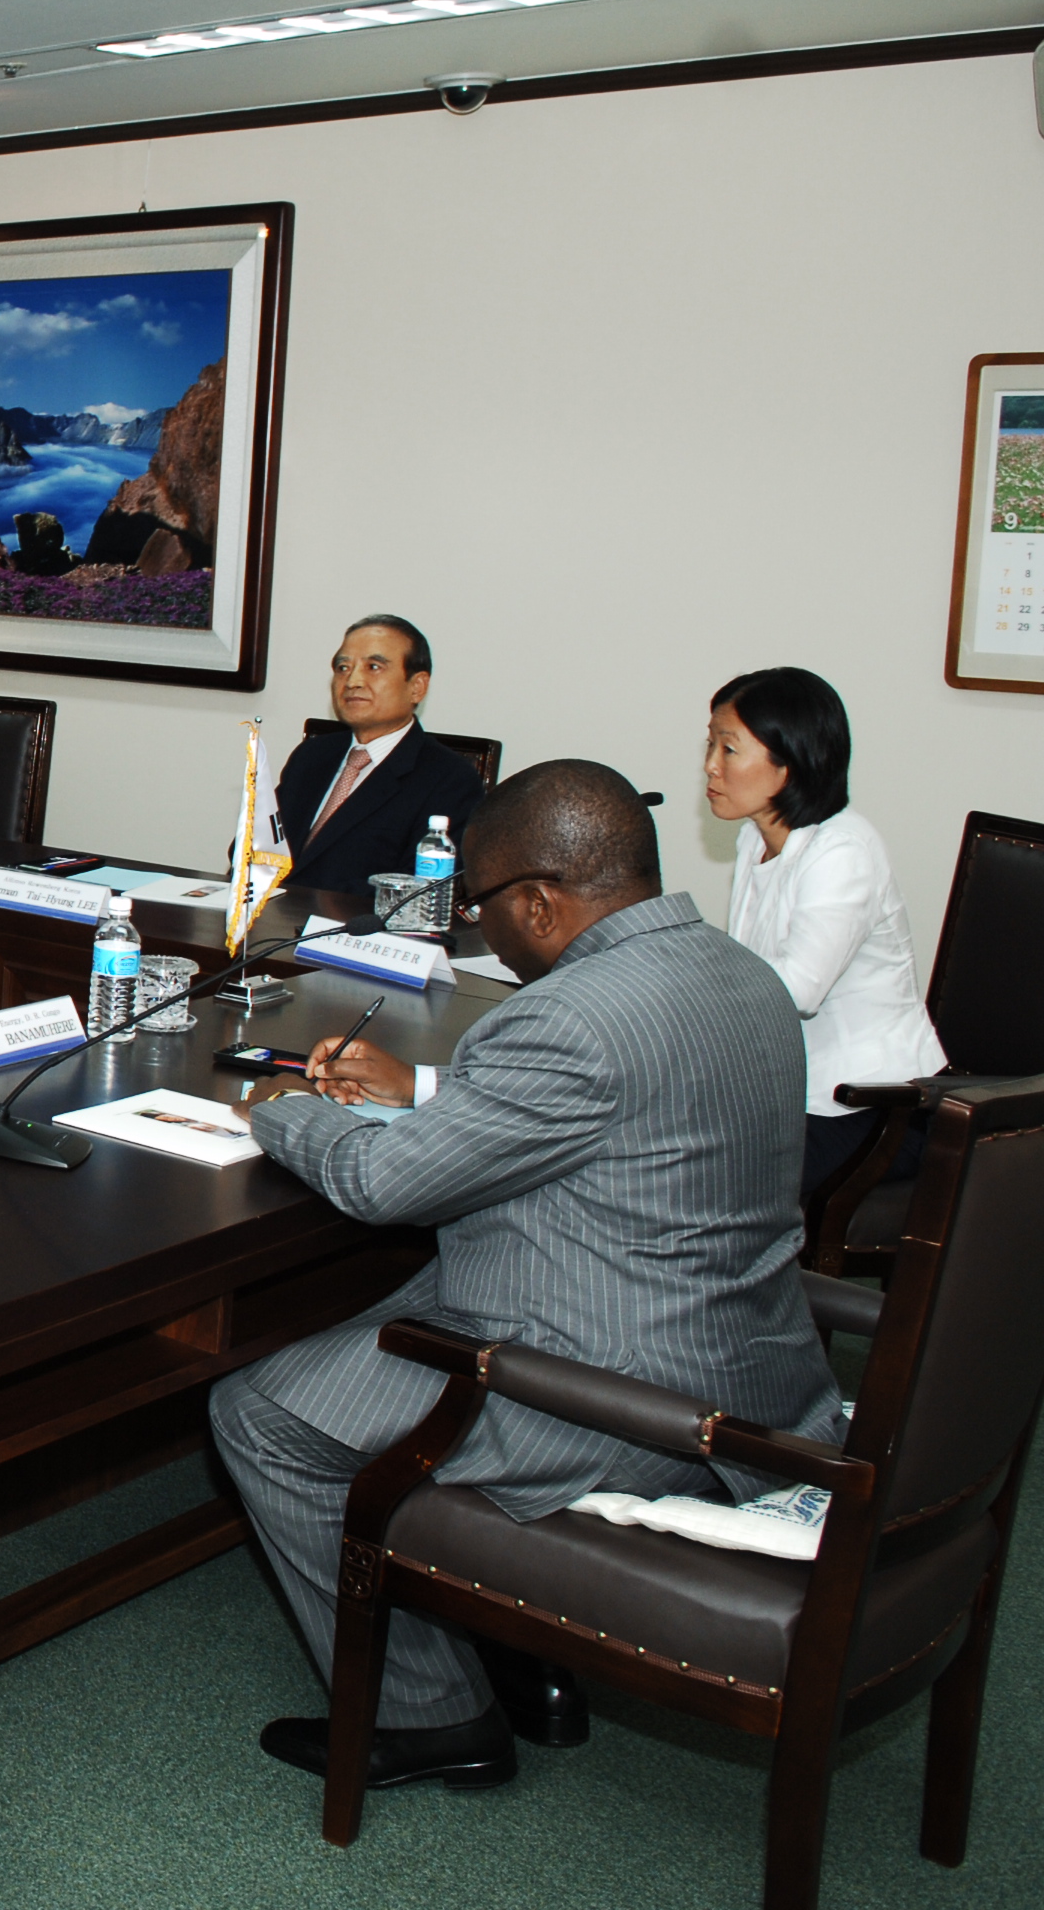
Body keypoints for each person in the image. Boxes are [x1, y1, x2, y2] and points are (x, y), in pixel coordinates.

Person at [210, 760, 839, 1793]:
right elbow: (627, 1115)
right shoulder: (742, 976)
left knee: (260, 1413)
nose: (474, 924)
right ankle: (507, 1641)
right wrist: (430, 1095)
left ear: (539, 901)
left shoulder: (564, 1019)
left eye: (478, 903)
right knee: (378, 1314)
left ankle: (431, 1716)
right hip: (753, 1371)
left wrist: (279, 1111)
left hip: (614, 1397)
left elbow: (379, 1184)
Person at [703, 667, 946, 1195]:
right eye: (711, 745)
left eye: (728, 750)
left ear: (787, 763)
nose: (710, 768)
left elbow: (798, 990)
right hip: (789, 1090)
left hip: (868, 1107)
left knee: (707, 1181)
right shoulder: (756, 840)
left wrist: (694, 976)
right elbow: (748, 970)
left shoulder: (843, 851)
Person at [270, 616, 485, 896]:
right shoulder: (311, 755)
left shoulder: (450, 780)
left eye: (373, 667)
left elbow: (417, 890)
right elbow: (255, 845)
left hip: (349, 933)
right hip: (268, 923)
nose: (353, 681)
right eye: (343, 668)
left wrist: (295, 903)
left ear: (417, 687)